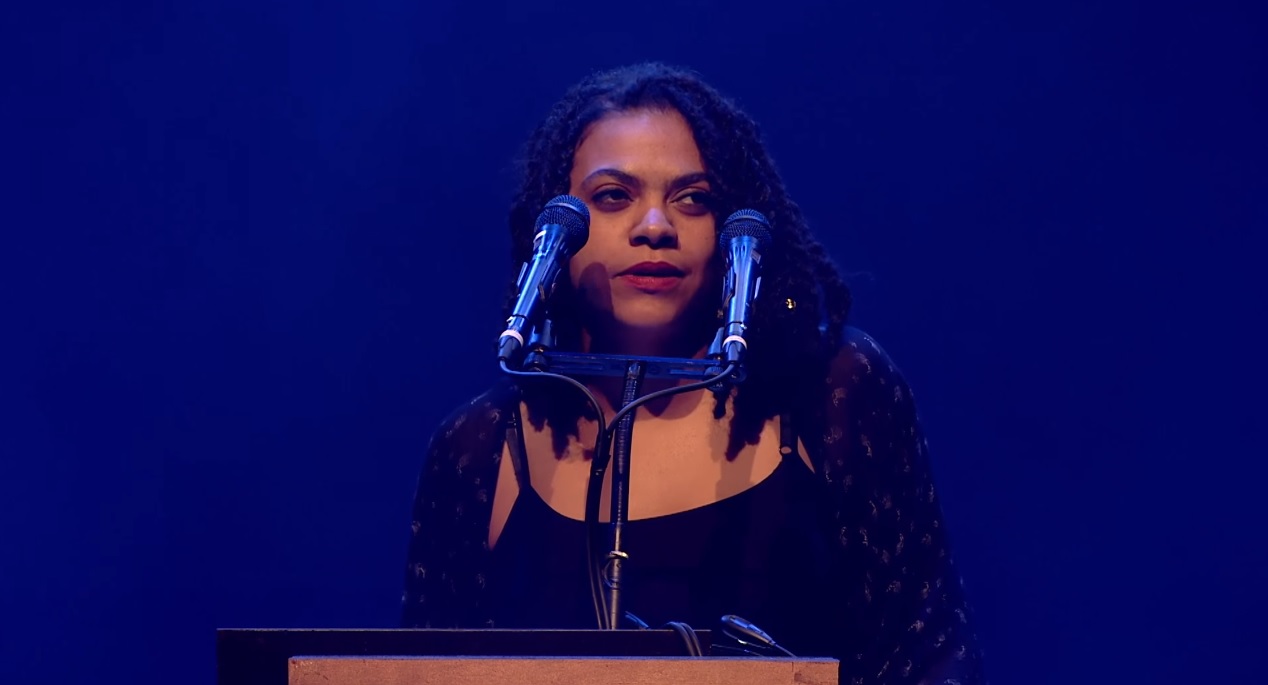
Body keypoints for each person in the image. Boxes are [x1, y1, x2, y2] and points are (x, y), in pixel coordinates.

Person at [401, 62, 985, 684]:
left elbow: (930, 651)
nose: (656, 227)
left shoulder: (832, 390)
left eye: (693, 200)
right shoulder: (479, 447)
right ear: (553, 231)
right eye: (613, 196)